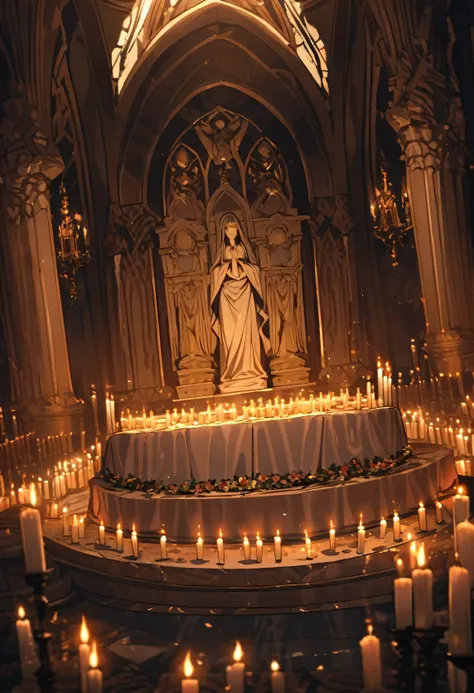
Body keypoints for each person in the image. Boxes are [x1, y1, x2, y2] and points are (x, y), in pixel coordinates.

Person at [210, 214, 270, 393]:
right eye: (229, 227)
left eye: (235, 227)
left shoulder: (244, 248)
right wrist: (228, 268)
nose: (232, 231)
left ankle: (251, 371)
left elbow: (254, 268)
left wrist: (242, 267)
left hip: (245, 294)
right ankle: (232, 373)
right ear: (224, 230)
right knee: (230, 335)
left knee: (248, 333)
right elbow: (214, 273)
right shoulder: (222, 250)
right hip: (227, 296)